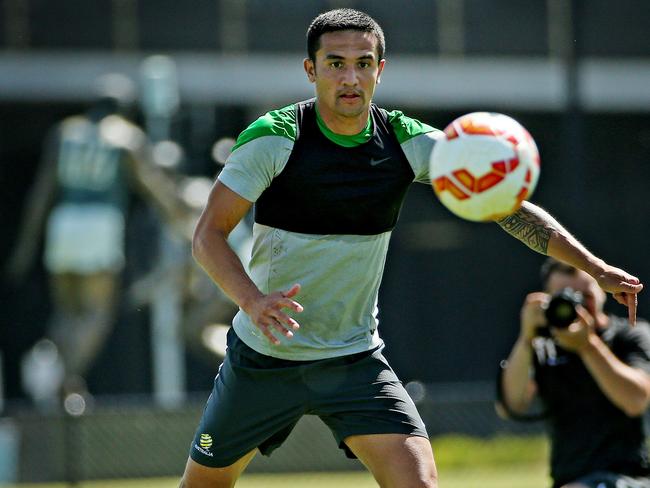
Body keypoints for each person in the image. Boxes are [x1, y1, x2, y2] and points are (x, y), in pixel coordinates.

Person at [180, 9, 643, 488]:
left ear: (380, 70)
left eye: (363, 63)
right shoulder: (275, 137)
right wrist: (253, 301)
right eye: (335, 63)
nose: (350, 77)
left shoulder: (406, 141)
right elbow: (207, 236)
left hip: (353, 359)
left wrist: (594, 267)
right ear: (310, 69)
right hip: (264, 359)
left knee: (418, 484)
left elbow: (509, 209)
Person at [6, 73, 183, 406]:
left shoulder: (65, 132)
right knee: (95, 313)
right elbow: (153, 188)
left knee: (66, 311)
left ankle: (52, 374)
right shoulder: (125, 136)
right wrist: (184, 223)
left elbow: (41, 194)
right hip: (99, 223)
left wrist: (25, 248)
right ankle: (62, 379)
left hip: (63, 222)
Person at [497, 258, 650, 488]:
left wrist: (588, 346)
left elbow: (636, 400)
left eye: (584, 298)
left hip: (627, 476)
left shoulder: (628, 334)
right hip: (568, 478)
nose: (576, 308)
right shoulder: (542, 346)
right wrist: (526, 339)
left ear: (601, 293)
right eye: (565, 298)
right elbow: (511, 406)